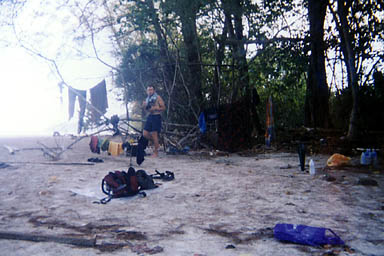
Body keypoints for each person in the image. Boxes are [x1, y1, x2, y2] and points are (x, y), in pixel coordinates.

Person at [142, 84, 166, 157]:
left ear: (154, 90)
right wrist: (144, 106)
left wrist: (155, 108)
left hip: (156, 116)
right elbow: (145, 109)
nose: (149, 91)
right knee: (145, 133)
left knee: (154, 134)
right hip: (150, 116)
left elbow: (163, 108)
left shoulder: (158, 97)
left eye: (151, 90)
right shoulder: (147, 99)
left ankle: (156, 152)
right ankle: (157, 144)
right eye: (148, 90)